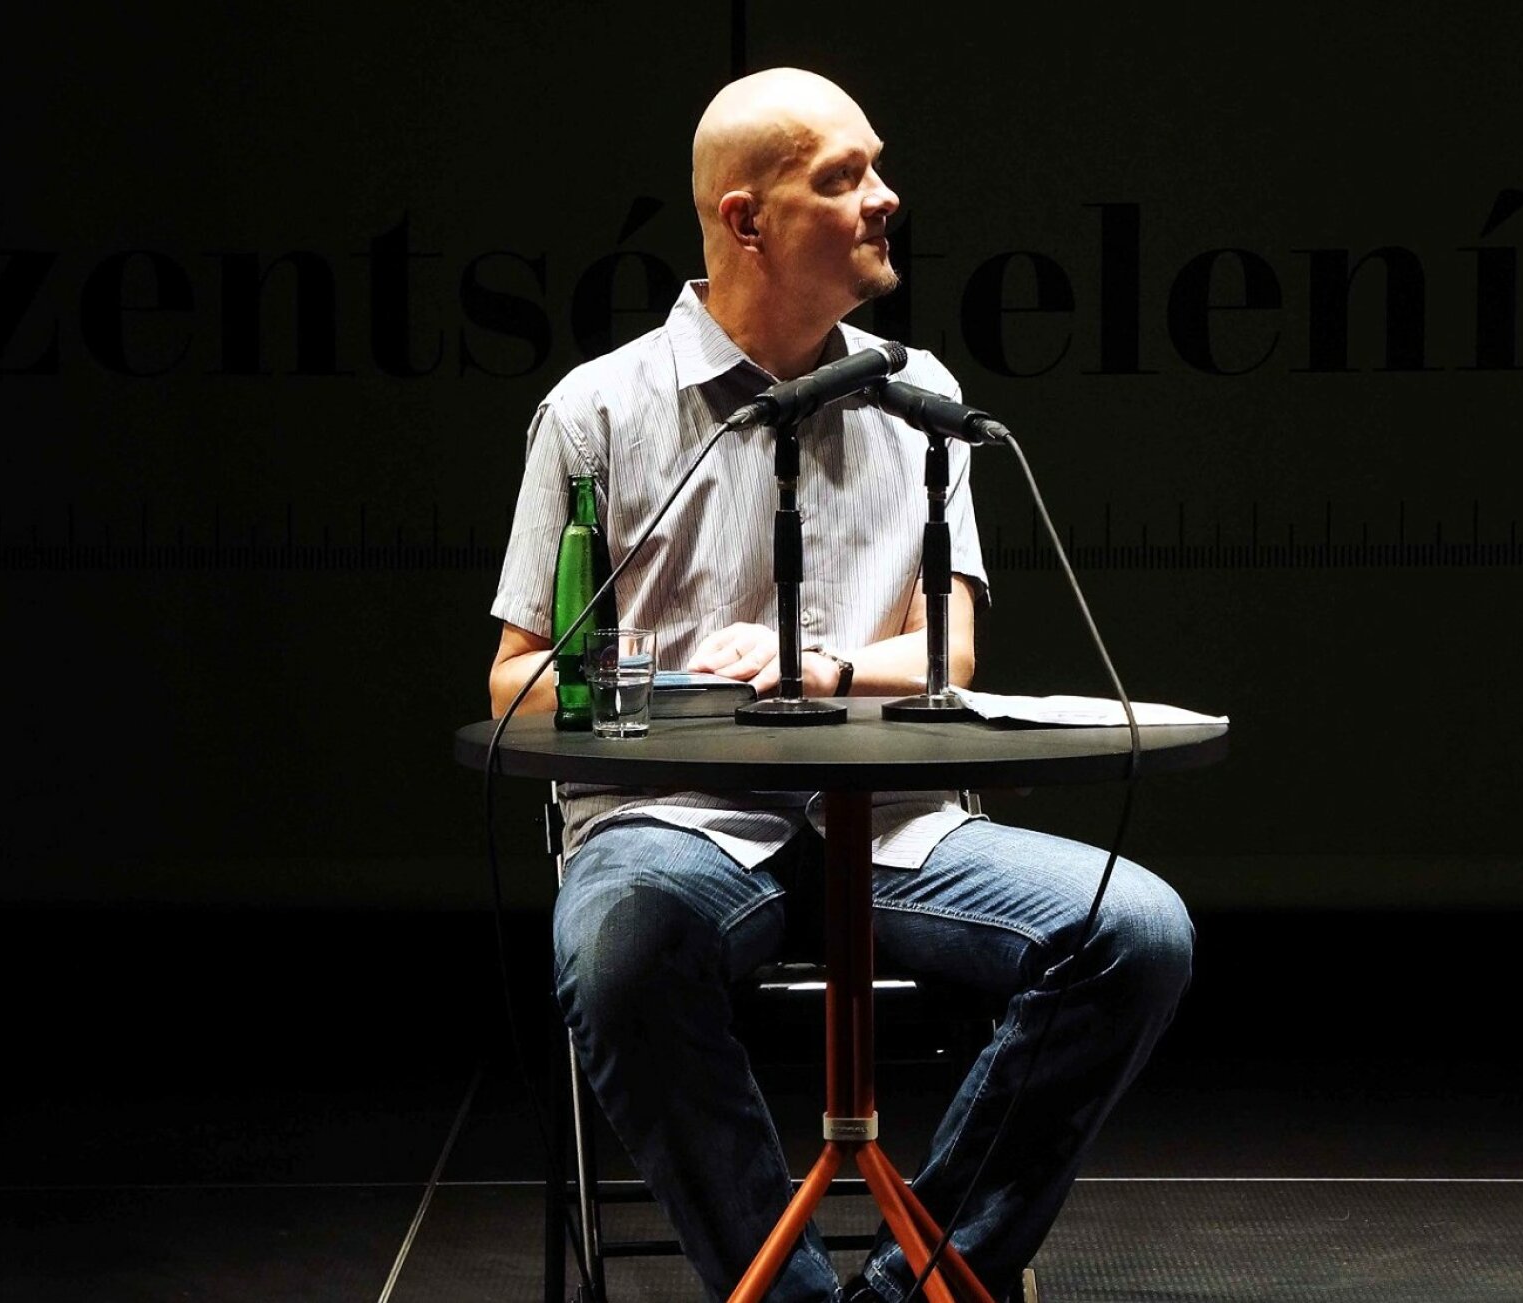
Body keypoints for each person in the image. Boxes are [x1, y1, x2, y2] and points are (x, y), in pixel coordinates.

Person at [488, 67, 1193, 1303]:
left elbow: (946, 655)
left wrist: (826, 667)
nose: (886, 197)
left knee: (1135, 932)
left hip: (899, 831)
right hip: (676, 829)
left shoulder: (923, 402)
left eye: (877, 167)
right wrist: (682, 683)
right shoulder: (595, 411)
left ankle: (913, 1288)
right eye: (844, 177)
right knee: (620, 950)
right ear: (746, 218)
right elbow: (514, 687)